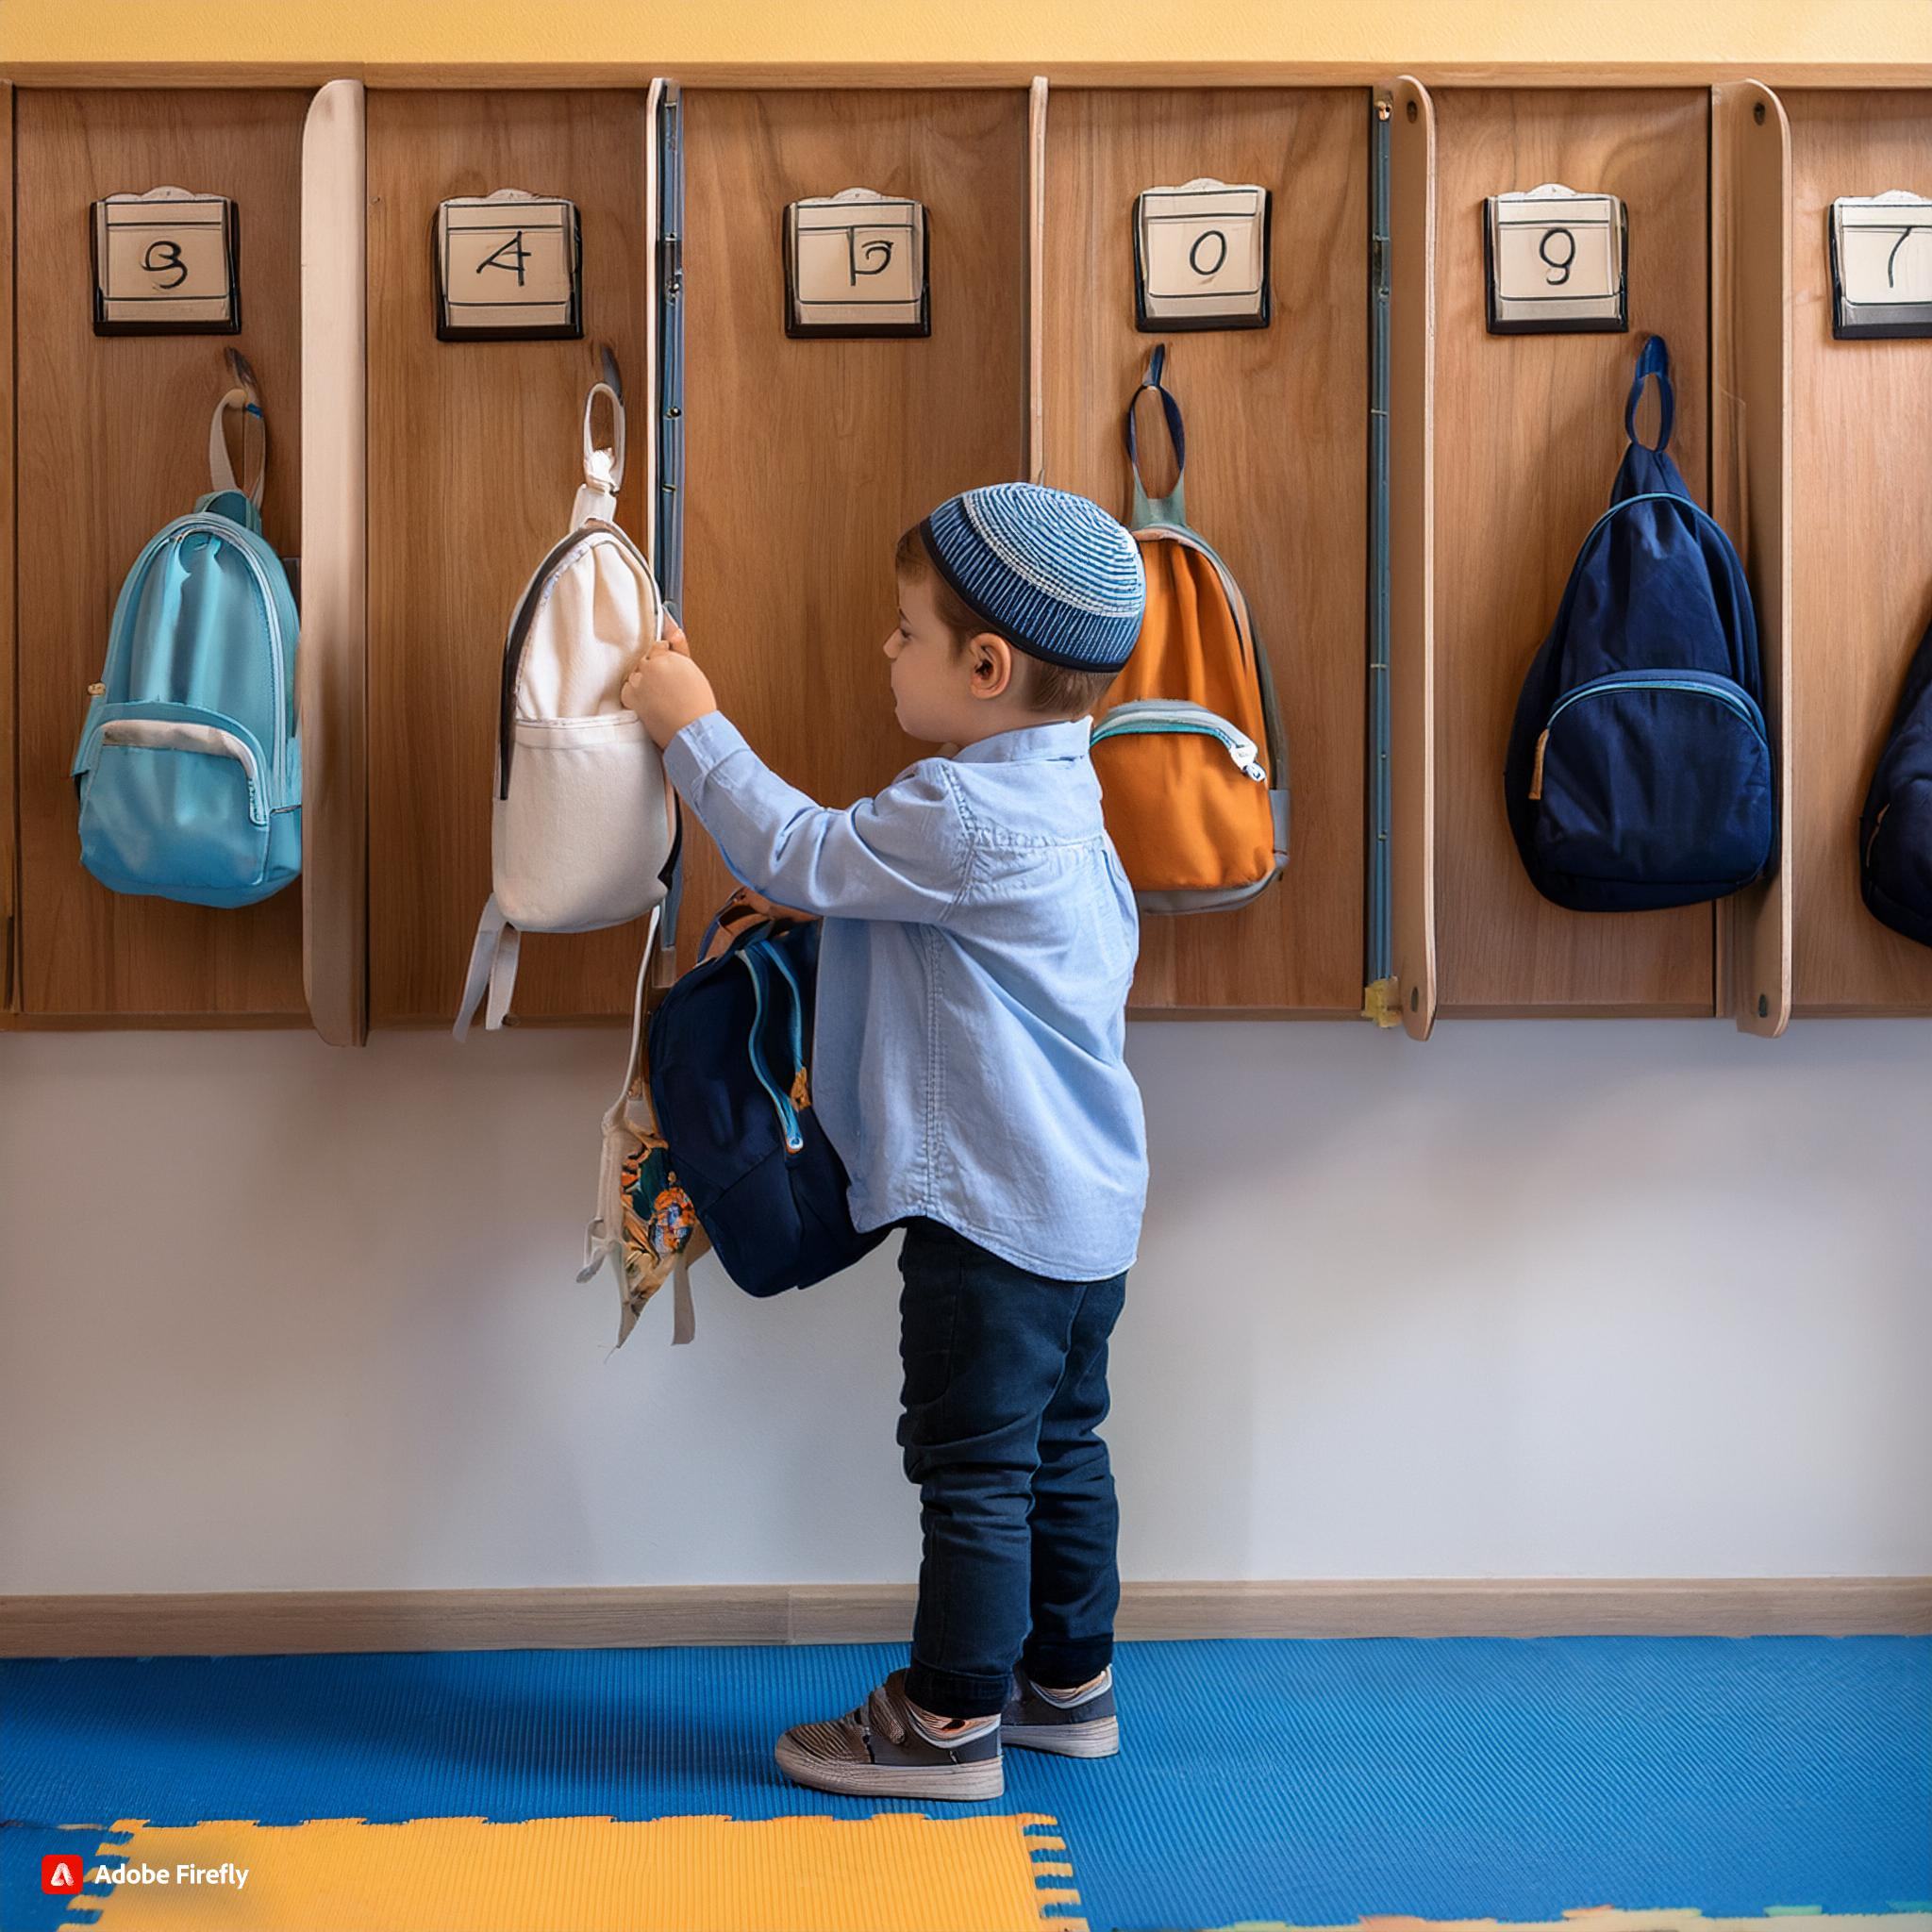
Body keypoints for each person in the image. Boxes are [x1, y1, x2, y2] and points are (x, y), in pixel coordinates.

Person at [622, 481, 1148, 1802]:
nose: (884, 651)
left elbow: (804, 850)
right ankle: (1066, 1686)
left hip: (987, 1220)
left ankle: (948, 1723)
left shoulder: (961, 813)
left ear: (987, 665)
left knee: (969, 1471)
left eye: (903, 633)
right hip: (1087, 1212)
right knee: (1061, 1446)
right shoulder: (1068, 802)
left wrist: (692, 729)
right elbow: (896, 913)